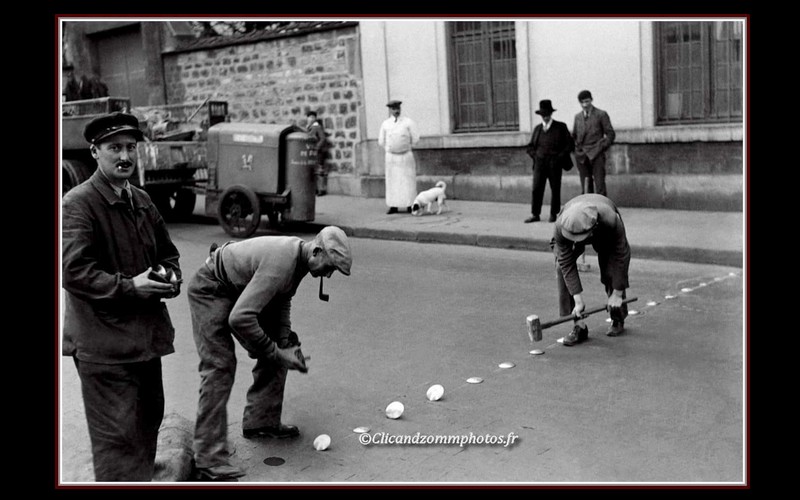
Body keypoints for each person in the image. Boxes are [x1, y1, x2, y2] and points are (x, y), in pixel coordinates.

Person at [62, 112, 183, 481]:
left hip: (144, 342)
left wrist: (170, 276)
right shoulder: (78, 203)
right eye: (115, 148)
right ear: (95, 152)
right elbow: (74, 272)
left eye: (131, 147)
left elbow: (167, 253)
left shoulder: (141, 199)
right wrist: (132, 287)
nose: (125, 156)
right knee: (118, 446)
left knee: (148, 426)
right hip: (104, 349)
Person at [188, 226, 352, 481]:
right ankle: (207, 459)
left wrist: (284, 343)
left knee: (283, 344)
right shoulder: (282, 263)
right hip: (211, 289)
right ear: (317, 252)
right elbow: (240, 318)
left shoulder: (299, 259)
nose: (328, 276)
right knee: (219, 365)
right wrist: (276, 353)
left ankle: (261, 421)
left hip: (238, 290)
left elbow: (282, 299)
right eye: (329, 268)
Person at [551, 194, 631, 346]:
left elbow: (622, 255)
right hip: (570, 225)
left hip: (603, 231)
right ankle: (578, 324)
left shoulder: (611, 220)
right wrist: (578, 299)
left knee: (610, 269)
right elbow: (566, 263)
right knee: (561, 267)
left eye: (579, 237)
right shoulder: (560, 226)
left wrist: (618, 293)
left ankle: (617, 316)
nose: (576, 240)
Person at [524, 99, 574, 224]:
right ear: (540, 115)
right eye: (543, 115)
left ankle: (554, 214)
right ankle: (535, 214)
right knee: (536, 189)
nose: (545, 117)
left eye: (547, 114)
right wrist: (535, 156)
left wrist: (559, 157)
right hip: (539, 164)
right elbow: (530, 147)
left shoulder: (560, 127)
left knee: (555, 189)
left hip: (554, 164)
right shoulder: (537, 129)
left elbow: (569, 145)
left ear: (551, 114)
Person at [378, 99, 419, 214]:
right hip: (391, 158)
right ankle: (393, 205)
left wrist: (405, 147)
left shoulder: (408, 122)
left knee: (407, 181)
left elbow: (416, 138)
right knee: (393, 181)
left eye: (397, 108)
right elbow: (381, 140)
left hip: (405, 156)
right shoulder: (386, 124)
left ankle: (409, 205)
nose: (396, 111)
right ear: (390, 110)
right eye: (393, 109)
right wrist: (389, 149)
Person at [572, 90, 615, 196]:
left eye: (587, 101)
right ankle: (588, 209)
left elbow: (610, 134)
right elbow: (574, 135)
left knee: (599, 184)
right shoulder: (578, 117)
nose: (585, 105)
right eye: (582, 102)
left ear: (591, 100)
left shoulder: (601, 114)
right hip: (582, 156)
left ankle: (602, 209)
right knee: (586, 185)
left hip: (597, 153)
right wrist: (576, 149)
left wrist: (602, 146)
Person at [306, 110, 329, 196]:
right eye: (309, 117)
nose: (311, 119)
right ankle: (315, 189)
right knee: (314, 171)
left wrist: (317, 148)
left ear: (315, 118)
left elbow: (322, 138)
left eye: (313, 117)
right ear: (307, 118)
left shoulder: (317, 127)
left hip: (319, 152)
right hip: (312, 152)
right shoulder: (309, 127)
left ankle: (321, 189)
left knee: (320, 171)